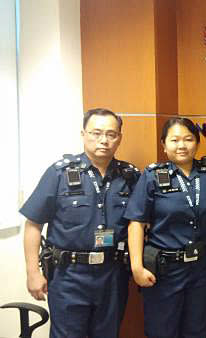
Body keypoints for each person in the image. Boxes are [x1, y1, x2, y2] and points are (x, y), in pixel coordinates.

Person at [20, 108, 139, 338]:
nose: (103, 140)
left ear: (119, 138)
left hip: (113, 274)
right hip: (69, 276)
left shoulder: (130, 176)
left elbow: (139, 223)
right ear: (83, 134)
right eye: (96, 133)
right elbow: (33, 224)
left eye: (111, 134)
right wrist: (33, 272)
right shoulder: (60, 173)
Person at [125, 117, 206, 338]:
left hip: (203, 268)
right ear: (164, 145)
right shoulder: (152, 176)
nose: (182, 145)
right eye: (174, 140)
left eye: (188, 139)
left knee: (197, 330)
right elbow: (136, 222)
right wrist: (136, 266)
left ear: (197, 143)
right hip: (164, 271)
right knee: (161, 331)